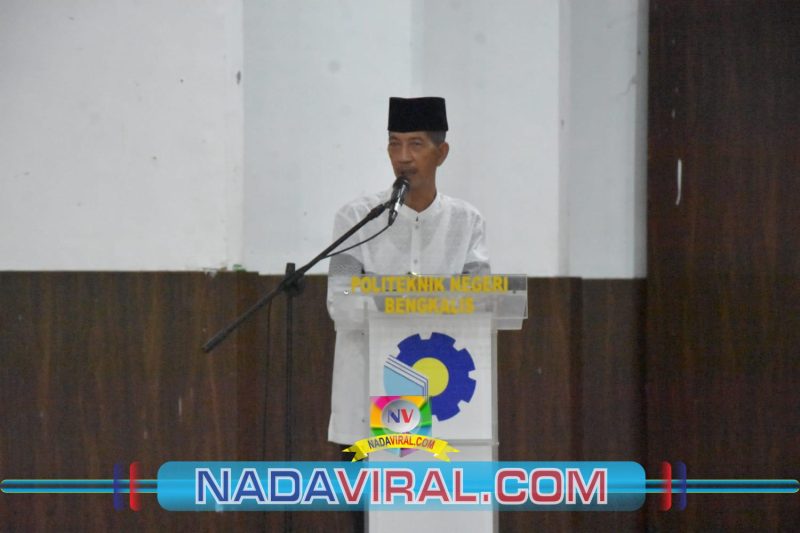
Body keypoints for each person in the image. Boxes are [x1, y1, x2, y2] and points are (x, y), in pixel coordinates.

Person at [327, 96, 490, 446]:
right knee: (368, 482)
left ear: (441, 153)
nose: (403, 157)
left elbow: (481, 301)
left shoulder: (466, 222)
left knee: (433, 481)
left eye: (416, 144)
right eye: (394, 144)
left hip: (445, 399)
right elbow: (340, 302)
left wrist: (392, 296)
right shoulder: (355, 218)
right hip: (366, 398)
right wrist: (410, 300)